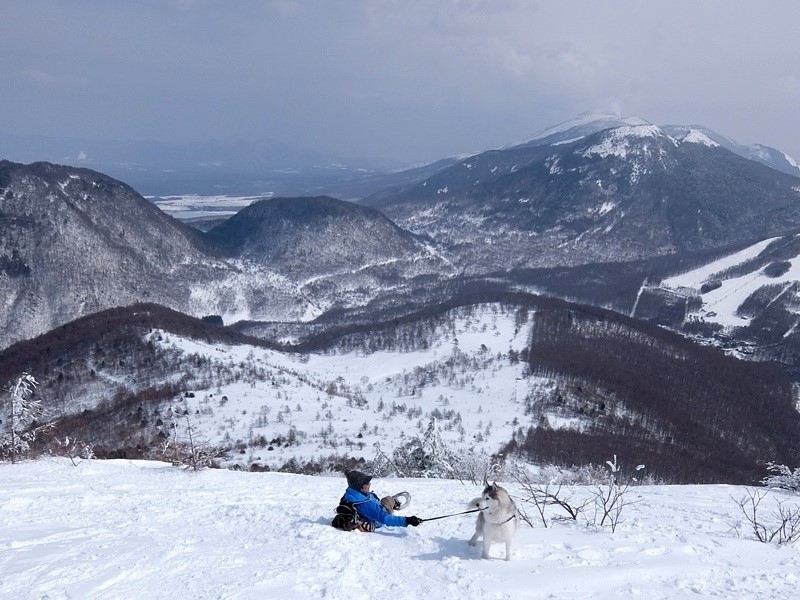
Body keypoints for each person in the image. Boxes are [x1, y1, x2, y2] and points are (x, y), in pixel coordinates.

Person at [341, 469, 422, 530]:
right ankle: (394, 504)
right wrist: (407, 520)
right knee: (387, 499)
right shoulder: (366, 505)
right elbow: (385, 518)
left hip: (368, 508)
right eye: (367, 483)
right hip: (378, 516)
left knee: (374, 496)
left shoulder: (350, 494)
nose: (369, 484)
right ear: (361, 487)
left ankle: (391, 503)